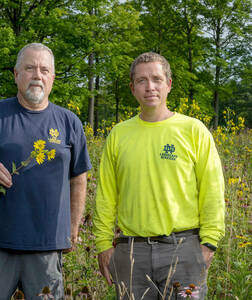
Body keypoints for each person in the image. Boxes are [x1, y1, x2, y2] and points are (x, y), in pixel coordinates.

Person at [0, 43, 92, 300]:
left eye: (44, 70)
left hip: (47, 245)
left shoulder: (69, 122)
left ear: (52, 77)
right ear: (16, 74)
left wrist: (73, 229)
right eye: (29, 68)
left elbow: (78, 178)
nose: (37, 75)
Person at [93, 52, 225, 299]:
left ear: (169, 84)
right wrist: (102, 245)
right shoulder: (119, 135)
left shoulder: (193, 130)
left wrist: (209, 243)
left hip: (183, 250)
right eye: (142, 80)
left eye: (156, 78)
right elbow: (105, 196)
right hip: (131, 253)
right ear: (132, 88)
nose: (150, 86)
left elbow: (212, 190)